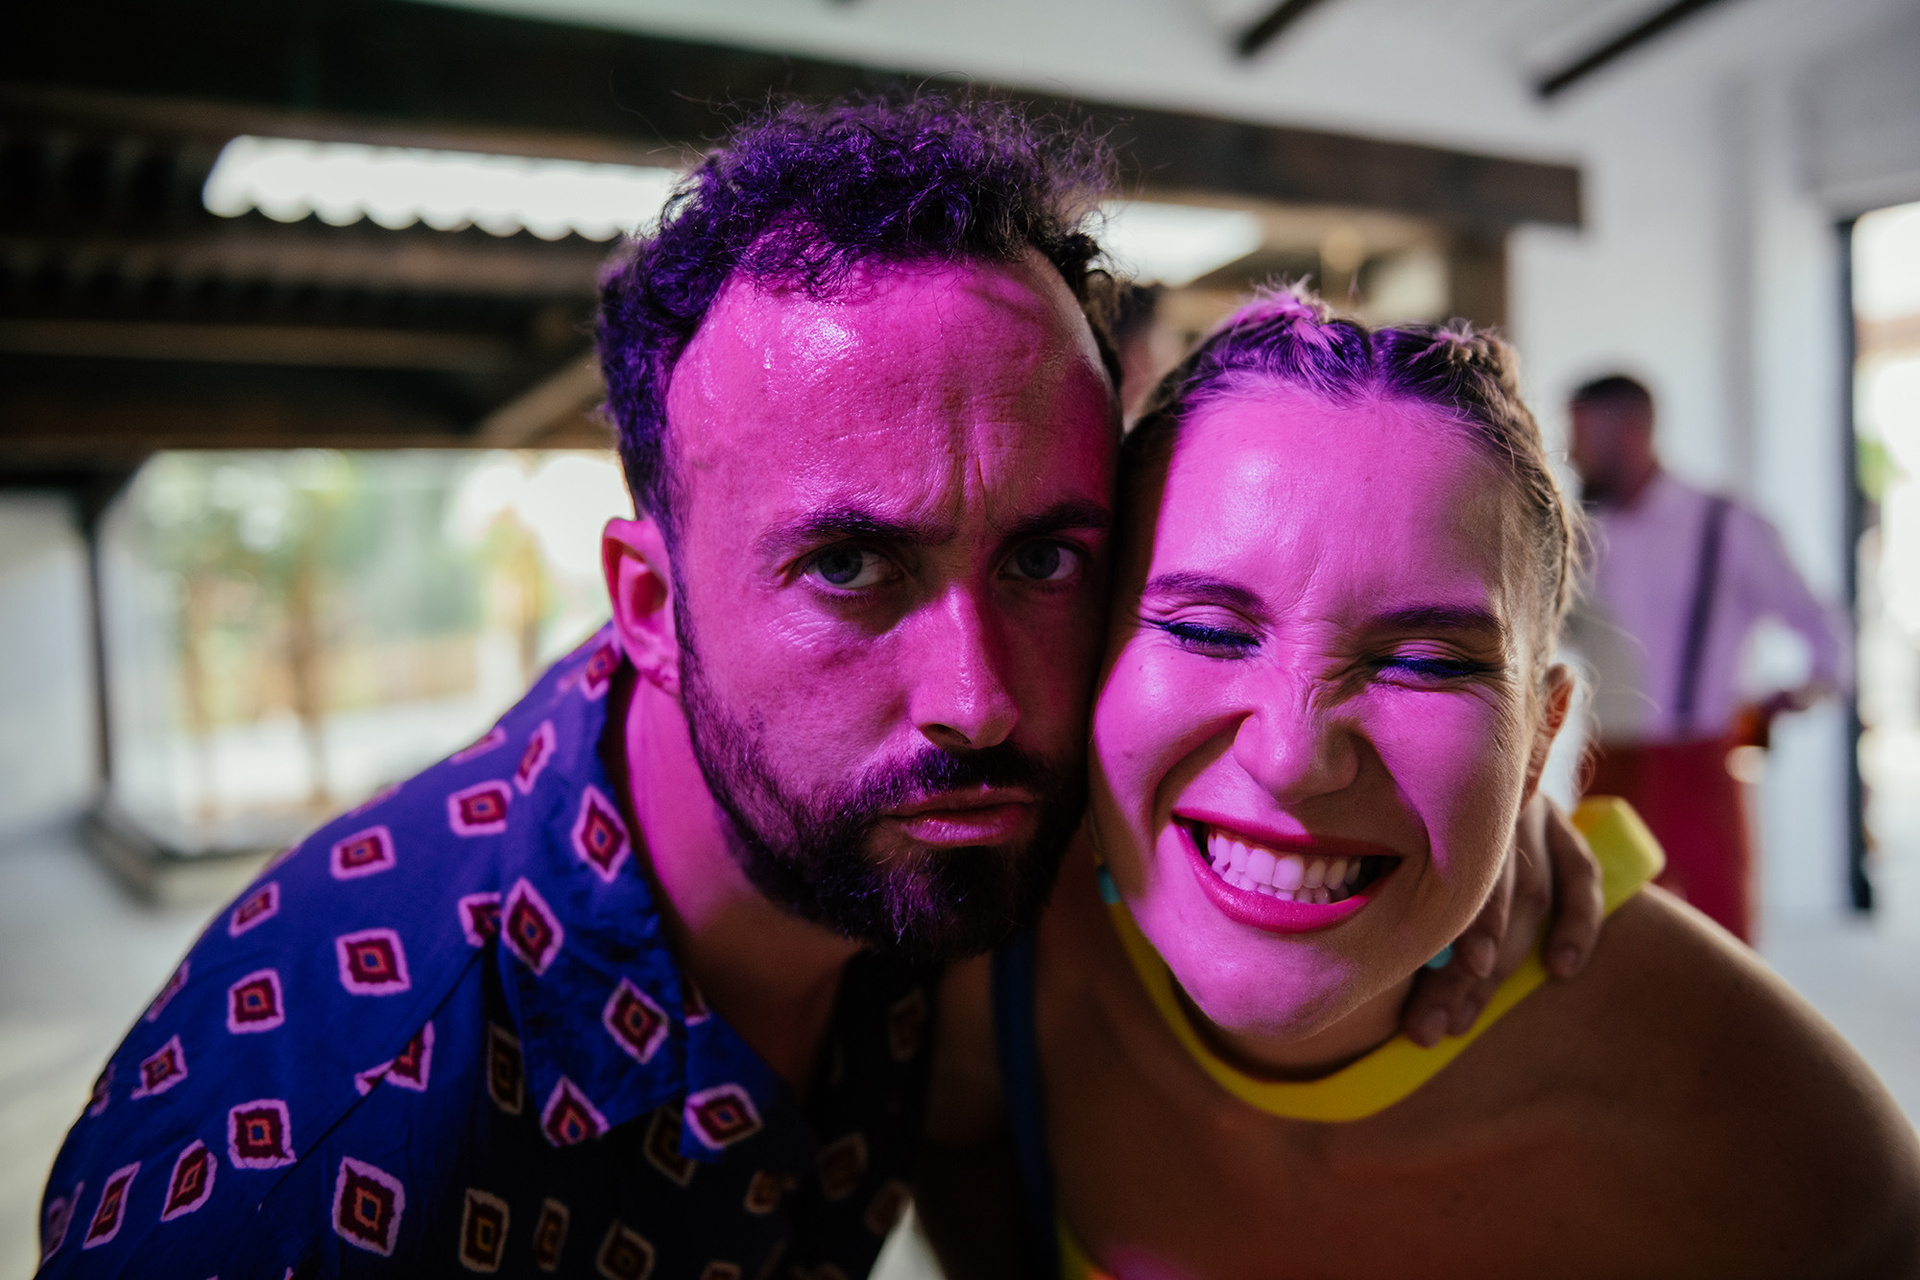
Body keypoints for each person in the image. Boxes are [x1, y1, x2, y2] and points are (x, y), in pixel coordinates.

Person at [36, 99, 1598, 1279]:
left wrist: (1472, 806)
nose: (980, 700)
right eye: (850, 566)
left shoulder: (949, 827)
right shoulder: (322, 1178)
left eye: (1048, 558)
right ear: (651, 608)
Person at [916, 292, 1920, 1279]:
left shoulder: (1780, 1151)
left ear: (1540, 740)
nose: (1294, 757)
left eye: (1429, 663)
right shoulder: (979, 952)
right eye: (1208, 631)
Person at [1566, 374, 1850, 941]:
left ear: (1632, 431)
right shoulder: (1579, 531)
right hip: (1605, 765)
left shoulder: (1723, 524)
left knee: (1717, 939)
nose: (1573, 453)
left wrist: (1791, 697)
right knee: (1600, 939)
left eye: (1582, 436)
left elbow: (1824, 630)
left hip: (1699, 761)